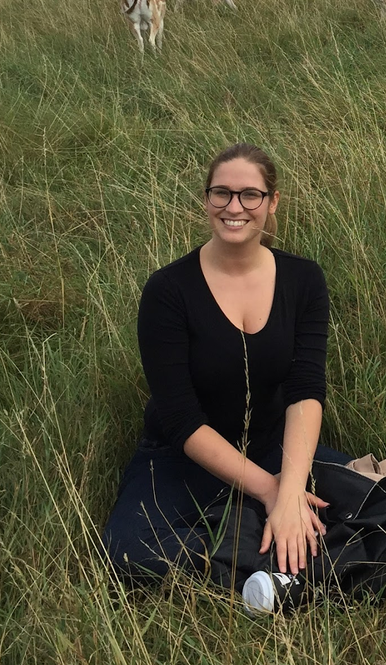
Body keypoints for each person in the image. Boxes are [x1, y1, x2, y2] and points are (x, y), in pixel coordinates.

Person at [102, 142, 351, 590]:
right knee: (129, 550)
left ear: (272, 202)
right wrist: (271, 491)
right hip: (184, 456)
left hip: (274, 444)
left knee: (382, 497)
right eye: (222, 193)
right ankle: (272, 561)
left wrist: (291, 486)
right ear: (206, 199)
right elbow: (179, 418)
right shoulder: (167, 290)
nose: (234, 207)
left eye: (249, 195)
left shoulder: (303, 279)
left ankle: (265, 560)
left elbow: (306, 388)